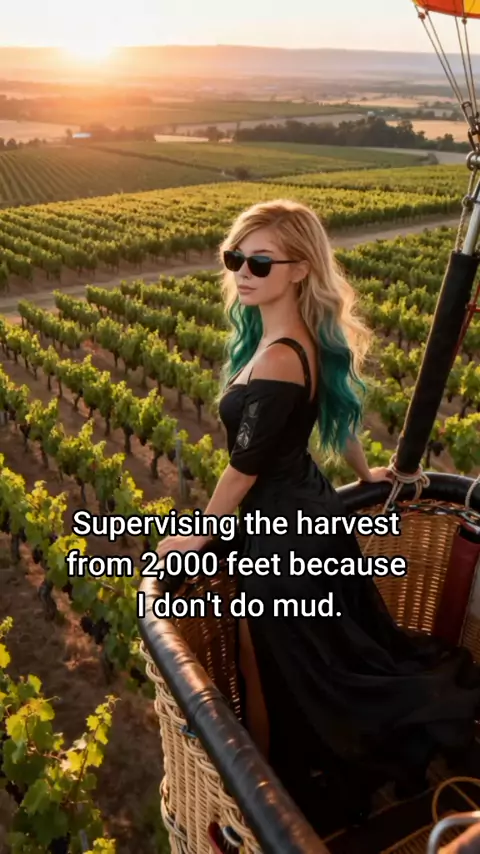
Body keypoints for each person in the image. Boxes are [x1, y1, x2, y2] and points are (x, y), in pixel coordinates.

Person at [156, 199, 480, 835]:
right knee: (307, 656)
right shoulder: (295, 340)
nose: (242, 273)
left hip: (281, 535)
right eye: (234, 258)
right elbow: (336, 414)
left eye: (260, 262)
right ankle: (278, 777)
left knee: (285, 664)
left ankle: (273, 791)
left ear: (300, 269)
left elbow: (242, 468)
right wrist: (364, 474)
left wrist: (196, 534)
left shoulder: (280, 355)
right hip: (307, 515)